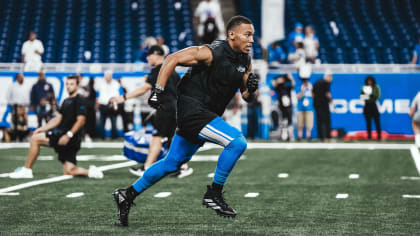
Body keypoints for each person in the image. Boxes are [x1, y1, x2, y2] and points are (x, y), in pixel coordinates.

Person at [112, 15, 259, 226]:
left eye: (252, 35)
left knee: (172, 163)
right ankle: (214, 193)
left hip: (206, 114)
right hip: (193, 111)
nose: (252, 40)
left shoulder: (245, 60)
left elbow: (247, 97)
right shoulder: (211, 52)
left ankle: (127, 194)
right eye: (248, 34)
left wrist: (252, 89)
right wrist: (158, 90)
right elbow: (172, 58)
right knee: (237, 142)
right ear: (232, 35)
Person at [110, 45, 191, 177]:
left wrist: (122, 98)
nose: (147, 57)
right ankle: (182, 167)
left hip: (164, 109)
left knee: (156, 138)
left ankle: (147, 167)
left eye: (149, 55)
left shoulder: (157, 71)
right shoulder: (172, 70)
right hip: (176, 108)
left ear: (157, 55)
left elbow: (144, 89)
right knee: (172, 139)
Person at [9, 75, 103, 179]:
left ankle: (27, 170)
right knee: (69, 170)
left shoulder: (80, 100)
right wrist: (42, 129)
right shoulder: (66, 101)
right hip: (65, 137)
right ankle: (91, 172)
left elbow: (81, 121)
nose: (68, 86)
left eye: (71, 84)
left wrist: (68, 135)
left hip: (69, 138)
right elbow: (58, 119)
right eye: (67, 84)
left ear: (77, 85)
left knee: (35, 139)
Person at [96, 70, 120, 139]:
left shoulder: (116, 84)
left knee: (114, 122)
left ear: (111, 76)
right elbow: (98, 95)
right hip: (103, 105)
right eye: (106, 76)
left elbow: (118, 95)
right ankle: (101, 137)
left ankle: (114, 137)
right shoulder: (100, 84)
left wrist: (116, 105)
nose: (107, 77)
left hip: (112, 105)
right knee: (101, 122)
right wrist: (97, 104)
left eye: (109, 76)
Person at [7, 73, 30, 141]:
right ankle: (15, 137)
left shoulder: (26, 86)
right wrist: (12, 104)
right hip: (15, 106)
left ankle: (23, 137)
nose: (22, 78)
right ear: (17, 78)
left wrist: (26, 105)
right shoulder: (12, 86)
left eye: (22, 77)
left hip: (24, 106)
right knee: (15, 122)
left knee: (24, 121)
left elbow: (28, 96)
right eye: (20, 77)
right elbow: (8, 96)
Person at [272, 74, 295, 141]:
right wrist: (280, 79)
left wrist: (291, 78)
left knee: (289, 122)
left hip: (288, 107)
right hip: (281, 107)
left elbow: (293, 85)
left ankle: (290, 136)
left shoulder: (287, 86)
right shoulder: (278, 87)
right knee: (282, 122)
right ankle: (281, 136)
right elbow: (274, 84)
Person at [313, 72, 333, 141]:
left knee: (319, 122)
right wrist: (331, 101)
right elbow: (327, 94)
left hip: (317, 104)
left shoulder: (316, 82)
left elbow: (312, 94)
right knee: (327, 121)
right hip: (324, 104)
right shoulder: (326, 83)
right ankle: (328, 137)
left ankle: (320, 137)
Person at [360, 76, 381, 140]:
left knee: (377, 121)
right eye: (368, 81)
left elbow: (377, 96)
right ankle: (369, 136)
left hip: (373, 105)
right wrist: (368, 96)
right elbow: (362, 97)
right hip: (367, 105)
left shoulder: (376, 87)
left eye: (371, 81)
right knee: (368, 122)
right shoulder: (364, 87)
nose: (369, 82)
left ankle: (379, 136)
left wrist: (371, 95)